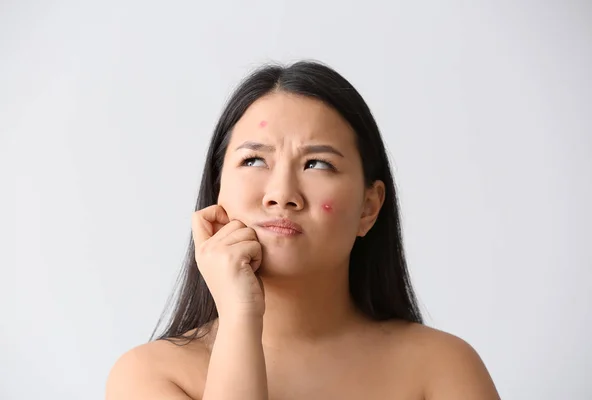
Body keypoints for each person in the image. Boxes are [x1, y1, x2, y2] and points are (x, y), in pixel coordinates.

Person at [106, 60, 500, 399]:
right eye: (255, 160)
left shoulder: (442, 369)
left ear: (369, 207)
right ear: (217, 188)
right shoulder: (149, 375)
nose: (281, 195)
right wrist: (241, 315)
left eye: (317, 164)